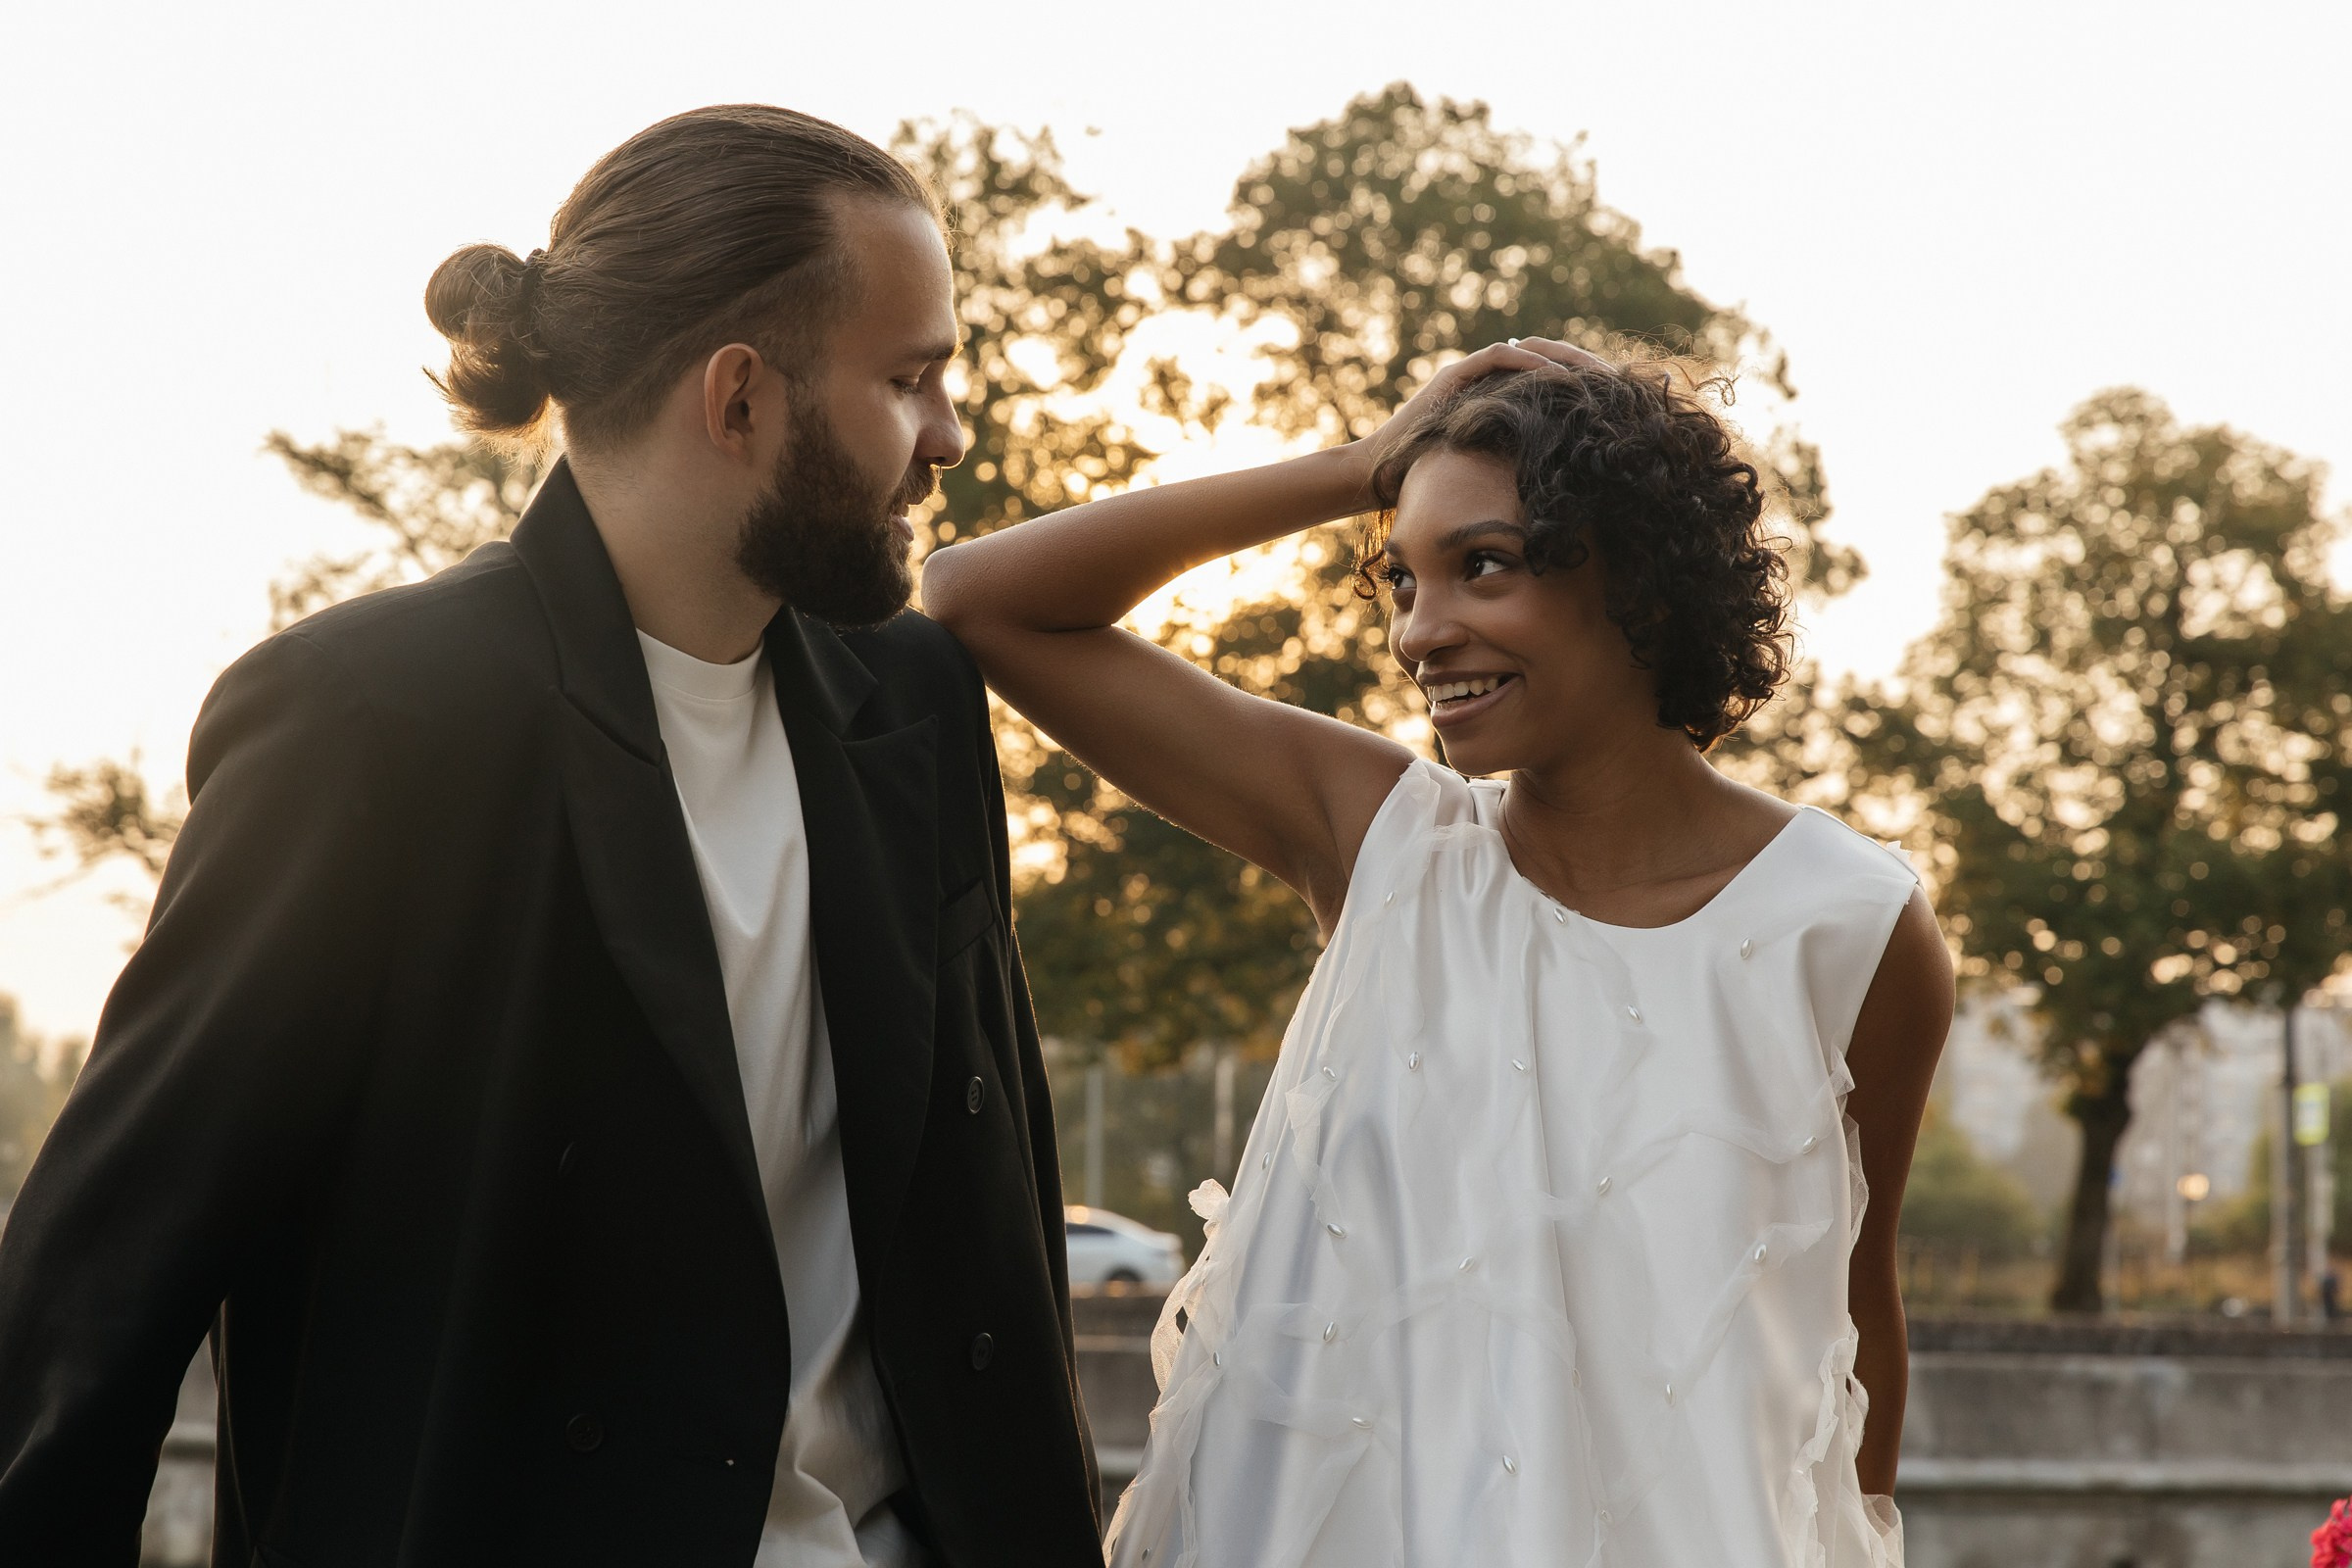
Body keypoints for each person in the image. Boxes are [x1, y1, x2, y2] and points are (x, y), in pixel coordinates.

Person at [0, 106, 1102, 1567]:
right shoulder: (371, 715)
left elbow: (999, 1213)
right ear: (739, 399)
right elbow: (102, 1288)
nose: (949, 438)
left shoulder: (913, 700)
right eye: (911, 381)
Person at [923, 341, 1954, 1565]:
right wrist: (1365, 464)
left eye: (1483, 568)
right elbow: (978, 596)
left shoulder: (1852, 922)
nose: (1423, 632)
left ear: (1647, 582)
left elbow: (1853, 1315)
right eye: (1403, 581)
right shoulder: (1382, 844)